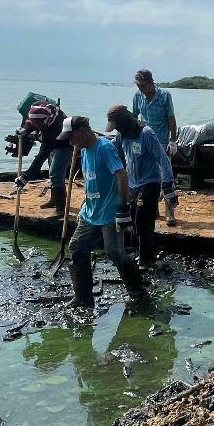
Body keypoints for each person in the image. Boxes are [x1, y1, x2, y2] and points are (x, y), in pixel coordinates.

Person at [58, 116, 146, 306]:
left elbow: (121, 175)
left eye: (71, 137)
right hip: (90, 213)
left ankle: (137, 291)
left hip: (109, 213)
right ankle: (83, 296)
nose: (71, 142)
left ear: (82, 131)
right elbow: (91, 181)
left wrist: (122, 207)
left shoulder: (104, 147)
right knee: (76, 248)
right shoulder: (83, 151)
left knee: (115, 253)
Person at [105, 105, 177, 266]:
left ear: (125, 122)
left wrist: (168, 185)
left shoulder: (146, 134)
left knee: (143, 223)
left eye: (117, 126)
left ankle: (146, 260)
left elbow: (163, 159)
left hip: (149, 183)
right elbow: (112, 147)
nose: (117, 130)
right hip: (132, 184)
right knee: (132, 222)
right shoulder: (121, 135)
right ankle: (139, 253)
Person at [132, 69, 179, 227]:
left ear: (151, 82)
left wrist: (173, 140)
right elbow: (134, 117)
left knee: (166, 175)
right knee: (149, 176)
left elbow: (171, 118)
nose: (141, 89)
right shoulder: (138, 97)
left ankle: (169, 213)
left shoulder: (165, 95)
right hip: (144, 141)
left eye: (143, 86)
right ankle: (153, 209)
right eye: (138, 86)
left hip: (162, 141)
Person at [13, 101, 71, 215]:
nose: (37, 127)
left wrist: (25, 177)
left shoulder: (54, 128)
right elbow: (30, 122)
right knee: (52, 173)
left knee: (56, 174)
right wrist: (24, 130)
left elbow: (41, 156)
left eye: (39, 125)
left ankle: (60, 208)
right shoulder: (40, 108)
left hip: (64, 146)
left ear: (45, 121)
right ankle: (54, 200)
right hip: (52, 146)